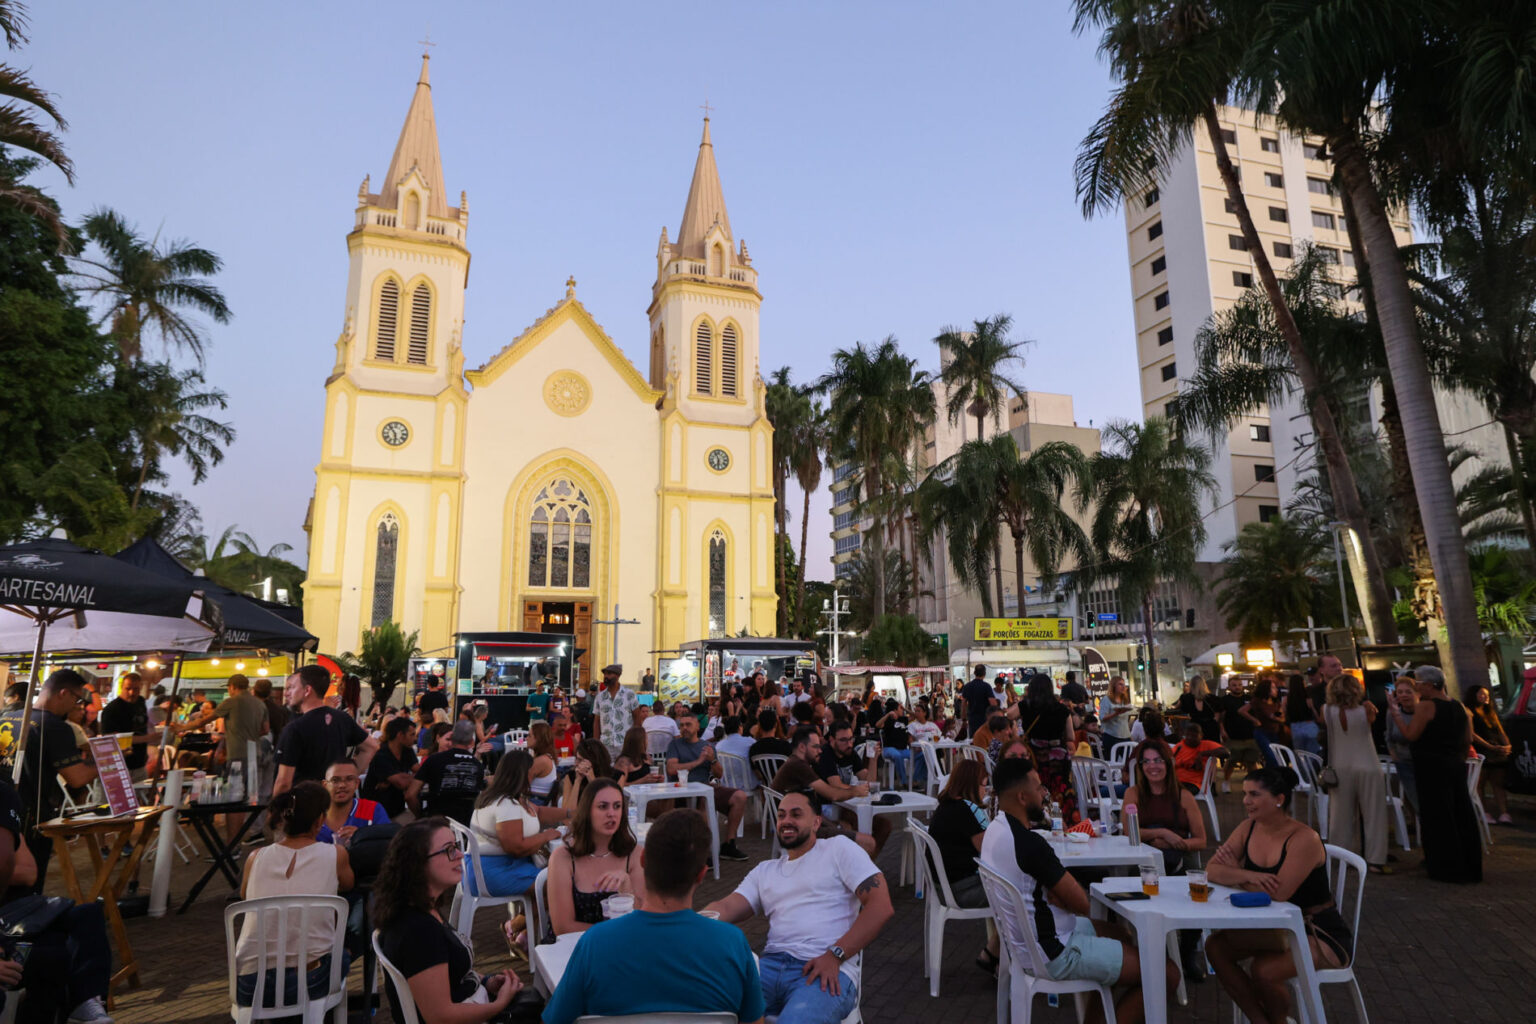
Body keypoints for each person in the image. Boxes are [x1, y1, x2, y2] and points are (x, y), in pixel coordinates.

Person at [981, 757, 1176, 1024]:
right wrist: (1060, 895)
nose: (1044, 794)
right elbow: (1082, 903)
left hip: (1025, 945)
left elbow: (1066, 898)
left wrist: (1056, 894)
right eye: (1039, 789)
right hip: (1054, 951)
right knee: (1166, 972)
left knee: (1121, 934)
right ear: (1023, 797)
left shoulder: (994, 830)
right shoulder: (1030, 845)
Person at [706, 790, 893, 1024]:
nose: (786, 821)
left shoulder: (838, 849)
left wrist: (835, 955)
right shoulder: (765, 870)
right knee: (711, 1011)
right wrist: (690, 922)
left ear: (816, 822)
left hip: (825, 970)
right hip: (769, 967)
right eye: (782, 815)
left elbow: (881, 905)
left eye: (796, 815)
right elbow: (727, 905)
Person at [1205, 766, 1353, 1024]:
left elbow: (1279, 893)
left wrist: (1235, 871)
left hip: (1318, 931)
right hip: (1275, 928)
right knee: (1215, 947)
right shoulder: (1248, 827)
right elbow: (1211, 870)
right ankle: (1260, 1020)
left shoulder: (1303, 838)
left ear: (1279, 799)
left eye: (1254, 794)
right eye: (1245, 793)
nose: (1246, 801)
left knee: (1264, 970)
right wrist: (1247, 875)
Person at [373, 819, 525, 1023]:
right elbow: (440, 1016)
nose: (460, 855)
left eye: (456, 847)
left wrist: (486, 982)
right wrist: (499, 1004)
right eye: (449, 850)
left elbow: (448, 972)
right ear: (417, 863)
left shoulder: (422, 908)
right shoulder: (418, 930)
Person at [234, 782, 354, 1011]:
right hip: (309, 982)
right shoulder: (335, 854)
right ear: (320, 820)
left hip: (249, 985)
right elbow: (349, 885)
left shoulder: (255, 857)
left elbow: (244, 896)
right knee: (344, 952)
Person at [0, 668, 97, 889]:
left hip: (5, 810)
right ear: (63, 693)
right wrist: (106, 763)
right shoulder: (55, 726)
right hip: (31, 818)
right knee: (27, 887)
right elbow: (77, 778)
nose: (76, 705)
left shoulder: (9, 716)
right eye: (76, 698)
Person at [1391, 666, 1481, 883]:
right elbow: (1468, 738)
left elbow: (1411, 735)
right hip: (1454, 764)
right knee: (1460, 811)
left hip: (1431, 766)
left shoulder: (1426, 706)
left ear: (1429, 685)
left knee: (1437, 815)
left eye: (1418, 683)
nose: (1416, 687)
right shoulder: (1458, 705)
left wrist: (1396, 715)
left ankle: (1445, 865)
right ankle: (1468, 862)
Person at [542, 778, 646, 938]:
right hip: (574, 949)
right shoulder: (563, 858)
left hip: (622, 946)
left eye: (617, 806)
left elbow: (642, 919)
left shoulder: (634, 855)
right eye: (603, 807)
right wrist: (611, 934)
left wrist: (627, 890)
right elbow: (563, 927)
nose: (611, 813)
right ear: (587, 811)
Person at [926, 759, 1001, 972]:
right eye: (983, 784)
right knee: (1018, 895)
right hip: (960, 890)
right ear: (971, 785)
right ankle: (1002, 958)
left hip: (945, 885)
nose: (985, 790)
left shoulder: (948, 805)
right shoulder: (966, 810)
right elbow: (989, 851)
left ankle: (994, 951)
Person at [467, 751, 568, 899]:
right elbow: (517, 848)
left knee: (557, 880)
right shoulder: (506, 804)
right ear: (524, 774)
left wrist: (572, 813)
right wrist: (546, 835)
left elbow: (538, 811)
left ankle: (521, 922)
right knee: (561, 886)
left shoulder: (498, 795)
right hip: (493, 872)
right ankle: (517, 923)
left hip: (481, 868)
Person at [771, 727, 878, 857]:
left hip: (799, 824)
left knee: (850, 826)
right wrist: (855, 791)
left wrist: (833, 825)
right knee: (868, 843)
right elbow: (833, 794)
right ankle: (853, 875)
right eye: (815, 747)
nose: (820, 750)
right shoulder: (798, 766)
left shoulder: (797, 763)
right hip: (800, 830)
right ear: (802, 747)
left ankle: (840, 873)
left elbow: (812, 810)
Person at [1321, 674, 1388, 873]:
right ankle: (1375, 859)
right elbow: (1373, 722)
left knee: (1340, 814)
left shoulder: (1327, 711)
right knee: (1374, 814)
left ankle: (1341, 855)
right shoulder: (1366, 710)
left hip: (1340, 767)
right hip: (1368, 764)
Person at [273, 665, 377, 796]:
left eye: (292, 687)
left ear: (307, 690)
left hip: (304, 803)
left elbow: (283, 782)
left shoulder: (295, 728)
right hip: (334, 803)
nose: (286, 693)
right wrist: (346, 778)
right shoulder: (343, 718)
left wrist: (274, 813)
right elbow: (371, 746)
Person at [665, 714, 749, 861]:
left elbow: (719, 774)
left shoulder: (708, 747)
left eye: (688, 725)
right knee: (704, 801)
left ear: (698, 727)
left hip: (705, 787)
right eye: (682, 725)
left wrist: (713, 760)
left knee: (740, 796)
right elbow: (671, 769)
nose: (684, 728)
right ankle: (703, 852)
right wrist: (698, 762)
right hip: (681, 790)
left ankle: (729, 844)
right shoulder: (675, 744)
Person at [815, 722, 892, 856]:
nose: (849, 744)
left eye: (851, 739)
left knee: (884, 825)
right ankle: (855, 866)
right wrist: (857, 790)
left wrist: (873, 760)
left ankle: (866, 865)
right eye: (843, 740)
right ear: (832, 740)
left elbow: (870, 782)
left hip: (846, 804)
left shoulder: (850, 752)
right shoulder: (825, 754)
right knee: (854, 825)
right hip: (825, 807)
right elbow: (836, 786)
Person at [1012, 674, 1077, 824]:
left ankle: (1036, 820)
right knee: (1060, 788)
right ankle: (1064, 821)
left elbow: (1008, 715)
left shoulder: (1026, 706)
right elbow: (1070, 736)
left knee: (1035, 787)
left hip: (1034, 755)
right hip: (1058, 758)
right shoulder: (1061, 709)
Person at [408, 721, 485, 825]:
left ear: (452, 739)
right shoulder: (477, 765)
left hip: (435, 823)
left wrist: (420, 816)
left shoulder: (433, 760)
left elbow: (410, 795)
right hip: (464, 828)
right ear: (471, 742)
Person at [1465, 683, 1513, 825]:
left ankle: (1504, 813)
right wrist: (1489, 746)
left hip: (1496, 750)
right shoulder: (1469, 711)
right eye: (1481, 694)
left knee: (1498, 783)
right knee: (1480, 783)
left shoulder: (1490, 711)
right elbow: (1471, 733)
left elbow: (1500, 730)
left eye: (1486, 694)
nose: (1485, 697)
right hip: (1482, 750)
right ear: (1473, 695)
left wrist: (1507, 745)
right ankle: (1484, 812)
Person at [318, 759, 391, 845]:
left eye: (349, 779)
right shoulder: (312, 814)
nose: (342, 785)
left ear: (357, 783)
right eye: (335, 780)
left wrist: (362, 835)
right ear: (325, 785)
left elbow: (389, 843)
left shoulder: (372, 809)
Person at [98, 672, 154, 780]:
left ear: (141, 688)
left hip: (140, 762)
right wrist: (146, 738)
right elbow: (112, 738)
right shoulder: (112, 709)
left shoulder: (141, 702)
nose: (131, 693)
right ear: (121, 687)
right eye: (128, 688)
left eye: (136, 689)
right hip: (119, 765)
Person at [362, 716, 418, 819]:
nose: (415, 738)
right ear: (400, 735)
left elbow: (420, 771)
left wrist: (406, 777)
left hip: (397, 811)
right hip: (374, 814)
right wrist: (413, 778)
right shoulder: (381, 755)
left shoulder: (407, 751)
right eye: (412, 734)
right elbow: (401, 783)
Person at [1384, 675, 1419, 815]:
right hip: (1403, 761)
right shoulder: (1392, 713)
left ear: (1417, 693)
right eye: (1400, 692)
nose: (1404, 695)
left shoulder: (1423, 712)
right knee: (1412, 797)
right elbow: (1388, 735)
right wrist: (1393, 753)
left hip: (1424, 761)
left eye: (1408, 692)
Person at [591, 663, 638, 762]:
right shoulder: (600, 697)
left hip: (624, 743)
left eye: (609, 674)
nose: (606, 676)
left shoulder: (629, 694)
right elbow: (596, 721)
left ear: (617, 676)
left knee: (625, 771)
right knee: (606, 772)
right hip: (606, 743)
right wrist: (596, 743)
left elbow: (637, 718)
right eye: (605, 674)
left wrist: (634, 741)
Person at [1219, 676, 1258, 789]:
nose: (1237, 687)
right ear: (1229, 687)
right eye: (1234, 685)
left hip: (1250, 734)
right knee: (1232, 760)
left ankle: (1252, 784)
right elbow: (1221, 717)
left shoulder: (1249, 698)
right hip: (1233, 735)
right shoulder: (1225, 700)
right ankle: (1226, 781)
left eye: (1239, 685)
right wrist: (1222, 730)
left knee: (1251, 761)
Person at [559, 738, 616, 810]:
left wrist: (592, 780)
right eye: (576, 758)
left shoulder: (615, 776)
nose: (576, 763)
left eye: (580, 760)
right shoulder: (571, 776)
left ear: (594, 761)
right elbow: (567, 813)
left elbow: (609, 807)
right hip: (579, 819)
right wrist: (577, 781)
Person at [1172, 722, 1227, 793]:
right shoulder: (1179, 747)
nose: (1190, 738)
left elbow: (1225, 753)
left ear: (1201, 736)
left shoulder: (1206, 745)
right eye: (1187, 735)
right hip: (1176, 780)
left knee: (1178, 793)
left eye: (1194, 736)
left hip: (1194, 783)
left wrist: (1202, 754)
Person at [1175, 676, 1221, 750]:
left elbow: (1184, 710)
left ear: (1191, 685)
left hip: (1195, 728)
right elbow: (1218, 714)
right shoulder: (1213, 698)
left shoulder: (1186, 698)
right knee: (1213, 750)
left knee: (1196, 751)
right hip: (1211, 727)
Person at [1287, 668, 1322, 757]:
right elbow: (1314, 712)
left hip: (1295, 727)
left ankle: (1302, 771)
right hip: (1309, 725)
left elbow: (1285, 714)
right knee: (1314, 755)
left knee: (1300, 756)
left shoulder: (1287, 699)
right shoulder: (1308, 696)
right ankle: (1314, 771)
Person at [527, 721, 559, 804]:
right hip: (537, 800)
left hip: (534, 802)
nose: (526, 738)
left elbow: (522, 787)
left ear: (538, 739)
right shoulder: (547, 757)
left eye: (529, 735)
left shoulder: (541, 761)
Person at [961, 664, 997, 738]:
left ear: (974, 673)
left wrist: (964, 719)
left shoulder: (967, 686)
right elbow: (993, 703)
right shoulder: (986, 686)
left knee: (974, 740)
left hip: (972, 719)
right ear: (984, 674)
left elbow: (963, 704)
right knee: (986, 741)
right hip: (985, 719)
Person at [1098, 676, 1134, 743]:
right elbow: (1102, 717)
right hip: (1112, 736)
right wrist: (1116, 713)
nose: (1123, 687)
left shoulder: (1124, 700)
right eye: (1120, 684)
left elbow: (1124, 722)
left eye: (1124, 685)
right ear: (1113, 686)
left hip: (1126, 736)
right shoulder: (1106, 699)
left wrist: (1130, 737)